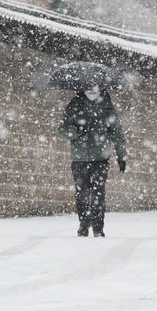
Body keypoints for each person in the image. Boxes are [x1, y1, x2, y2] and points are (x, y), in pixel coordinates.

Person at [58, 86, 127, 238]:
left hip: (101, 158)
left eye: (95, 86)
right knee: (82, 193)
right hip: (79, 158)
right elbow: (63, 128)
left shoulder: (106, 105)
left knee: (98, 193)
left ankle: (98, 227)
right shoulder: (75, 104)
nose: (92, 90)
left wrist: (122, 156)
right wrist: (77, 131)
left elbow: (117, 132)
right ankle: (84, 224)